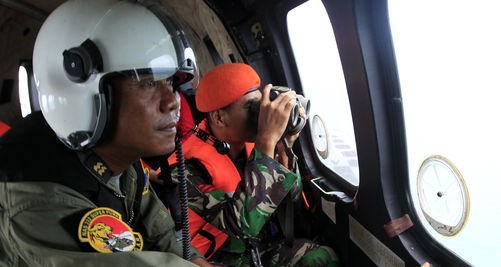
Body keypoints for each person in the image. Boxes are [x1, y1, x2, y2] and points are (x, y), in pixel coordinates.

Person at [0, 1, 211, 266]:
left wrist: (192, 258)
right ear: (83, 93)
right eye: (147, 83)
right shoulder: (40, 195)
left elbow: (159, 229)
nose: (173, 101)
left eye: (170, 82)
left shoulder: (119, 155)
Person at [168, 63, 339, 266]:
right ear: (219, 117)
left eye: (262, 103)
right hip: (216, 256)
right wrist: (267, 141)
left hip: (258, 244)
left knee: (321, 257)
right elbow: (240, 224)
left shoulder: (253, 144)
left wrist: (285, 146)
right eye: (252, 108)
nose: (262, 114)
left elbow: (292, 203)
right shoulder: (184, 166)